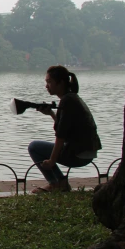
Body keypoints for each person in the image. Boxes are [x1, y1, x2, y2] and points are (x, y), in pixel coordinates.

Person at [28, 65, 102, 193]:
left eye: (49, 82)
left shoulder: (67, 101)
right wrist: (51, 113)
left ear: (61, 82)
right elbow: (66, 127)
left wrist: (52, 161)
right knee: (38, 147)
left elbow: (61, 136)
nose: (46, 86)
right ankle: (60, 182)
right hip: (86, 151)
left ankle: (56, 183)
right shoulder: (72, 98)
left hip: (79, 154)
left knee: (34, 147)